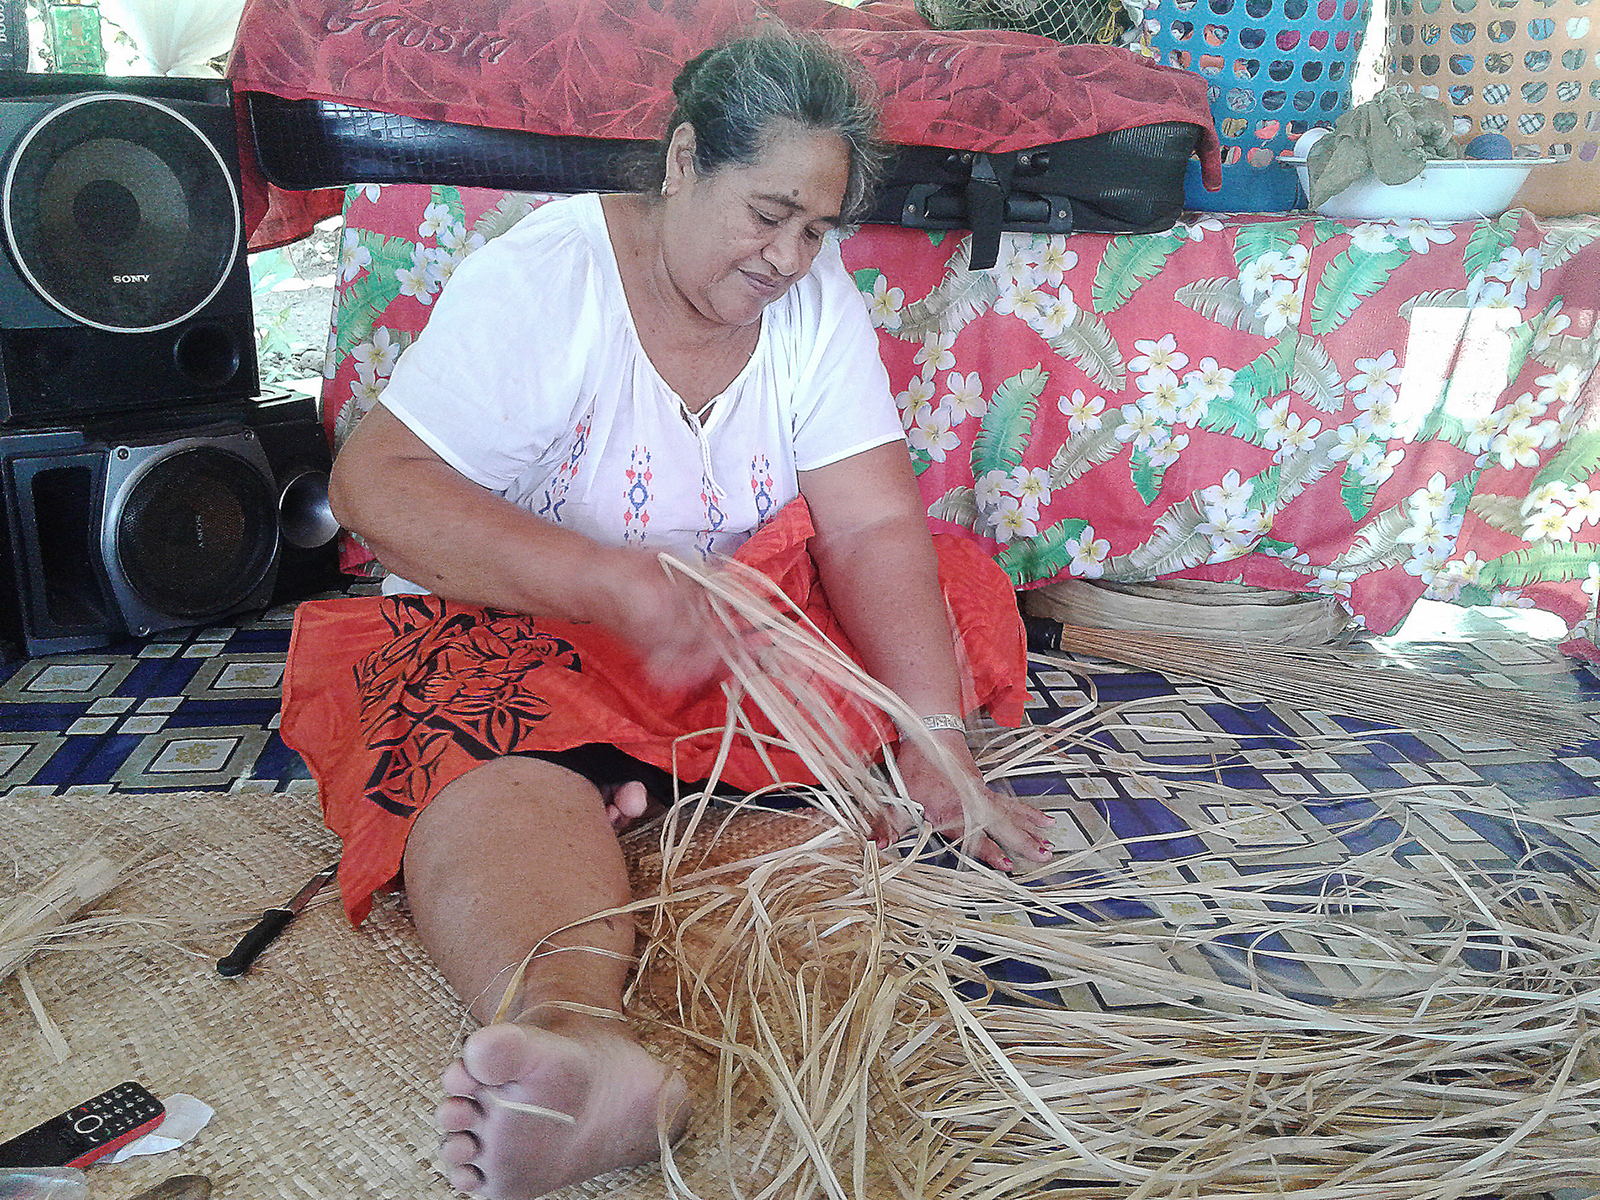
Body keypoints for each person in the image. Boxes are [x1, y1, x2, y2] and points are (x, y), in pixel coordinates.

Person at [280, 28, 1055, 1200]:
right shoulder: (549, 279)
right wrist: (605, 584)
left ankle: (639, 777)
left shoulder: (808, 295)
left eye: (815, 228)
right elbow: (375, 491)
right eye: (767, 212)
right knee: (468, 728)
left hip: (715, 636)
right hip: (533, 627)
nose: (789, 257)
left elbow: (868, 526)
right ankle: (578, 1039)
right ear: (685, 159)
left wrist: (937, 743)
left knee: (947, 579)